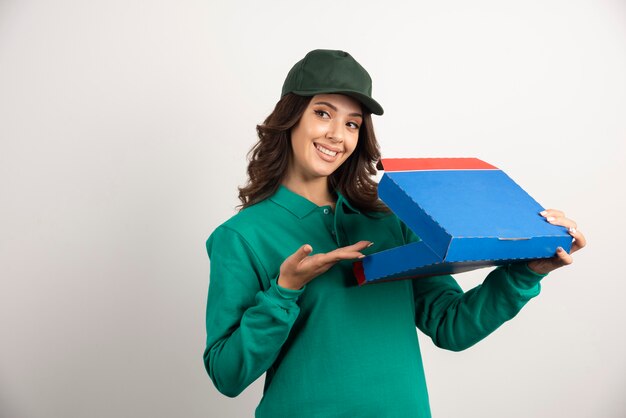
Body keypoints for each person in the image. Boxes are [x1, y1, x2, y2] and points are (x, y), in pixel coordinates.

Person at [203, 49, 586, 417]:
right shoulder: (241, 236)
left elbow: (451, 326)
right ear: (291, 118)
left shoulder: (392, 220)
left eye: (352, 123)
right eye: (323, 114)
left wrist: (525, 272)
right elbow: (227, 374)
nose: (338, 135)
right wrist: (284, 290)